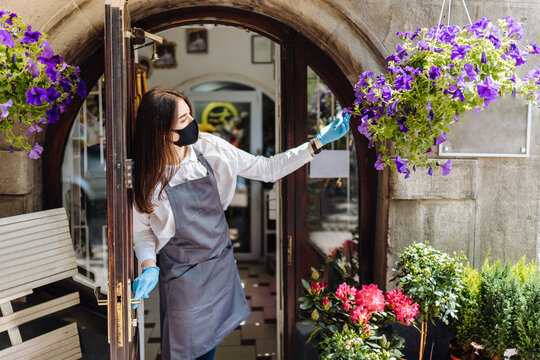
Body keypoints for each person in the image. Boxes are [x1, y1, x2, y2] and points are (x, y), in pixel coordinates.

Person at [131, 88, 350, 360]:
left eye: (190, 115)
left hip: (220, 269)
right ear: (162, 131)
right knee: (184, 352)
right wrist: (148, 266)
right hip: (182, 281)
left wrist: (316, 144)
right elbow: (142, 232)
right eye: (183, 120)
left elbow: (267, 168)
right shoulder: (147, 177)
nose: (192, 123)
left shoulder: (210, 148)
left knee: (209, 349)